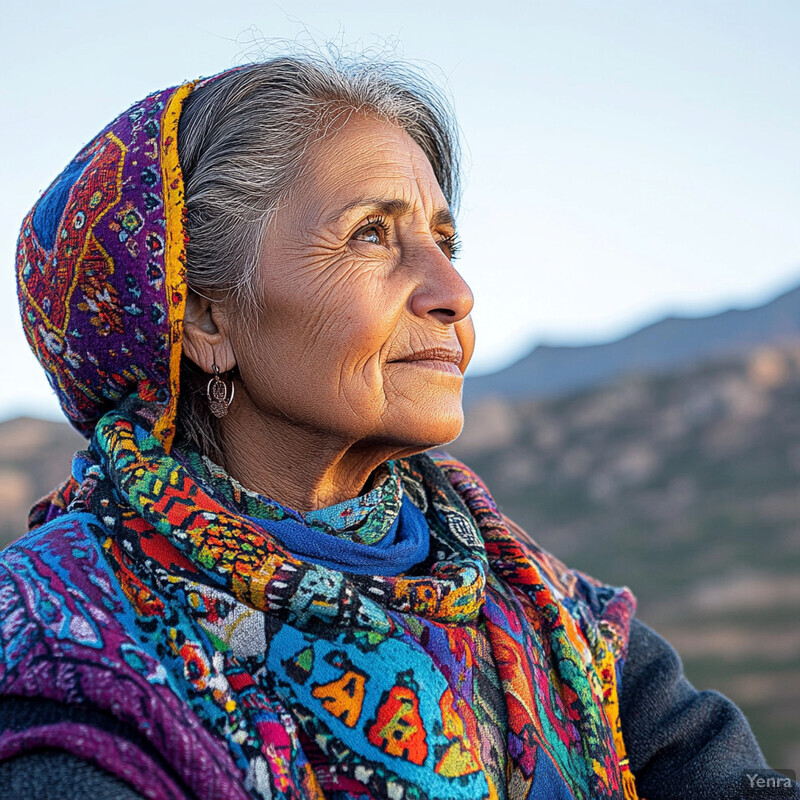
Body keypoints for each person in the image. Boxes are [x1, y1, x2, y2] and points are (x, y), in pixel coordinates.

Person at [0, 53, 795, 800]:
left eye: (445, 242)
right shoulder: (69, 660)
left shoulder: (558, 622)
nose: (454, 290)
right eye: (371, 234)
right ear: (205, 315)